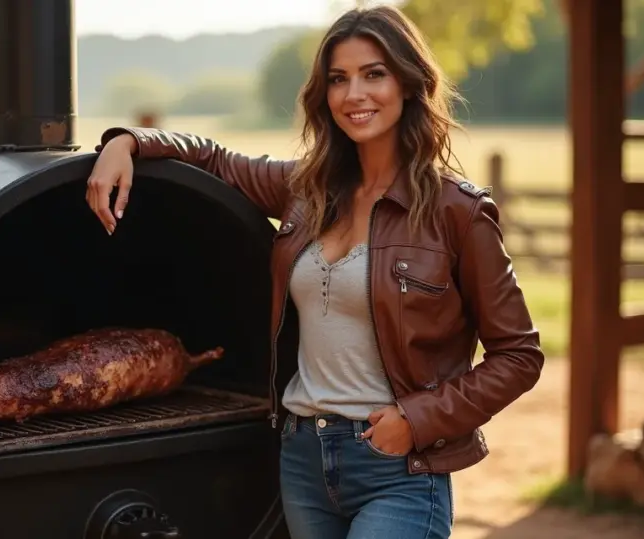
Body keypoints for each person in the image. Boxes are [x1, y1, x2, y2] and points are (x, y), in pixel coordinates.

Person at [84, 5, 544, 539]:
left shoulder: (456, 212)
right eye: (338, 79)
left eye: (374, 74)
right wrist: (126, 142)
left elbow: (519, 356)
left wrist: (416, 421)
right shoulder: (307, 189)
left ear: (409, 84)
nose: (355, 95)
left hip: (397, 469)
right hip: (303, 459)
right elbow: (212, 160)